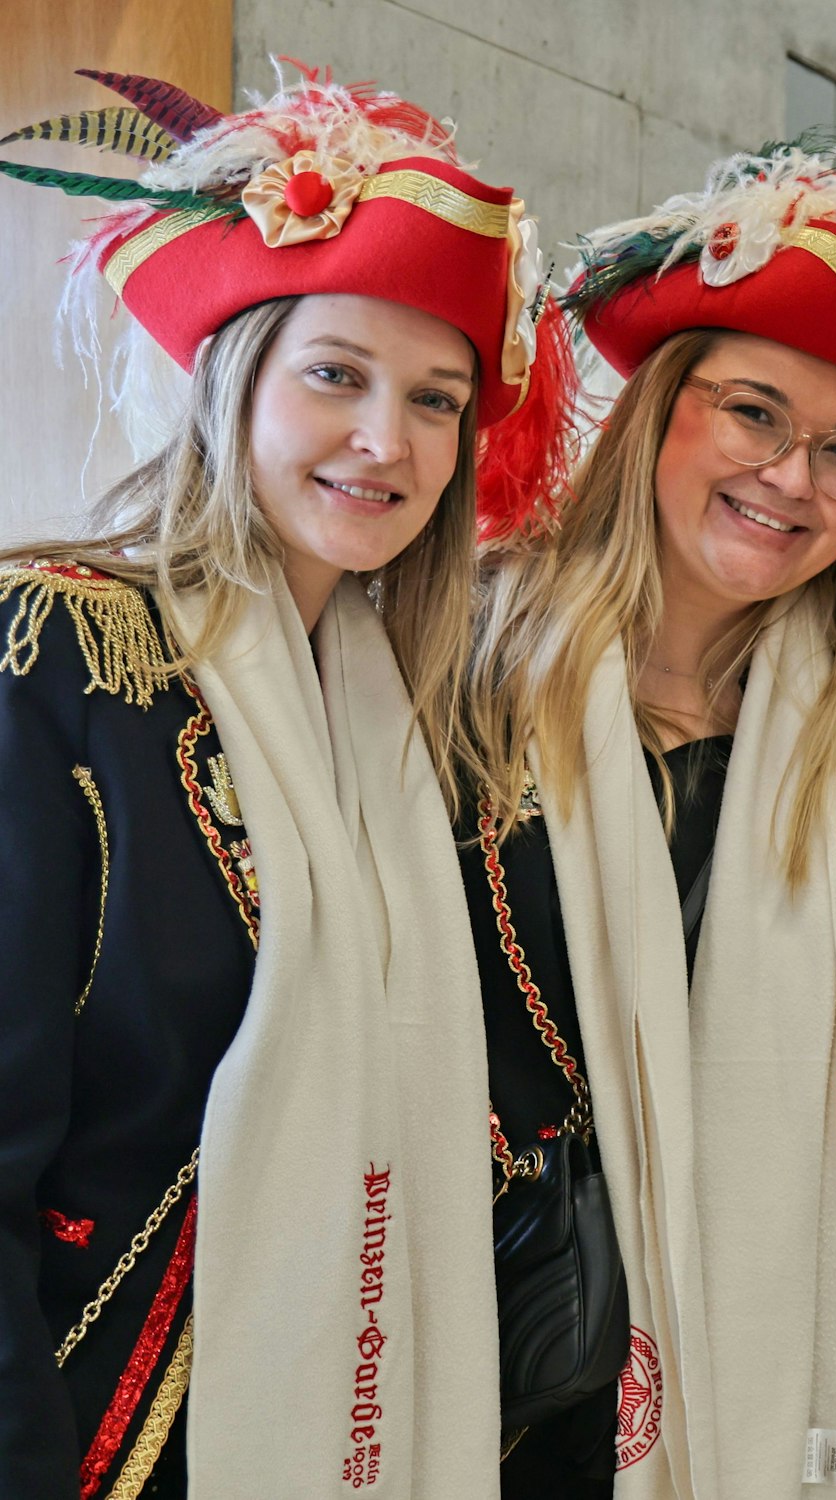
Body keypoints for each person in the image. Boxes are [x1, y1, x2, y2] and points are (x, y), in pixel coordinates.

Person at [0, 67, 568, 1498]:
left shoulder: (420, 727)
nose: (388, 440)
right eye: (336, 375)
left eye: (436, 400)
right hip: (90, 1421)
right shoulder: (65, 657)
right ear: (234, 374)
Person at [457, 139, 836, 1496]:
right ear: (661, 409)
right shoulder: (466, 660)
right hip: (495, 1365)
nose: (792, 478)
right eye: (754, 413)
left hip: (771, 1372)